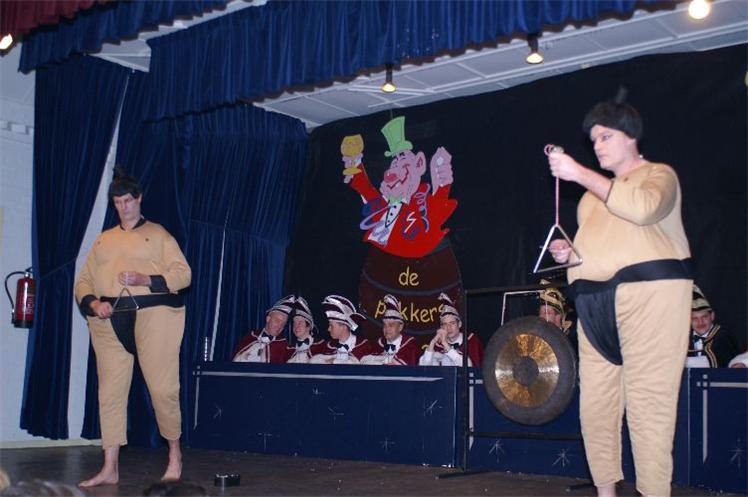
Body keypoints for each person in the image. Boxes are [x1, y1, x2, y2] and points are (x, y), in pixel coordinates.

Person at [546, 89, 692, 497]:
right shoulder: (589, 201)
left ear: (631, 136)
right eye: (593, 139)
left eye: (606, 136)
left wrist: (579, 174)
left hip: (649, 297)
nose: (597, 146)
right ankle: (605, 492)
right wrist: (569, 252)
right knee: (596, 407)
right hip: (593, 306)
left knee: (649, 405)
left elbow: (642, 209)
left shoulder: (659, 176)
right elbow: (596, 245)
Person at [75, 175, 192, 487]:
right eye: (117, 203)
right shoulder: (104, 240)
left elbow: (184, 275)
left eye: (128, 200)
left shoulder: (158, 234)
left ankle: (175, 454)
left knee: (162, 389)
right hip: (109, 319)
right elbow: (83, 281)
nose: (123, 207)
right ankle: (109, 467)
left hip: (154, 315)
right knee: (109, 393)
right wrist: (93, 303)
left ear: (139, 199)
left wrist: (146, 279)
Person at [419, 293, 483, 367]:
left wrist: (446, 345)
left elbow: (468, 366)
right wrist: (432, 342)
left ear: (459, 324)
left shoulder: (470, 341)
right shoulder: (438, 346)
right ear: (441, 327)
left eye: (452, 323)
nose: (448, 327)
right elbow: (423, 367)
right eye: (445, 324)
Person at [309, 295, 375, 364]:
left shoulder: (363, 346)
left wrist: (334, 361)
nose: (328, 329)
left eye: (331, 326)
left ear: (343, 327)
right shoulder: (328, 347)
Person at [686, 285, 739, 368]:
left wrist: (677, 361)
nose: (700, 322)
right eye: (695, 319)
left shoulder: (723, 337)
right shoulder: (685, 338)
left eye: (704, 317)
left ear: (712, 316)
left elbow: (709, 363)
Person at [232, 296, 294, 363]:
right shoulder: (250, 337)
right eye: (277, 320)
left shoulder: (283, 346)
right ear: (268, 319)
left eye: (283, 324)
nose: (279, 326)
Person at [361, 294, 419, 365]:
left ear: (400, 327)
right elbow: (364, 360)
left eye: (391, 325)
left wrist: (380, 361)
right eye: (384, 325)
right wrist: (386, 360)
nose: (387, 328)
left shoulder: (410, 345)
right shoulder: (379, 344)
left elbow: (406, 366)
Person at [286, 296, 326, 364]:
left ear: (309, 326)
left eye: (300, 322)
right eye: (294, 323)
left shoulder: (322, 346)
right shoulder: (288, 349)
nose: (296, 326)